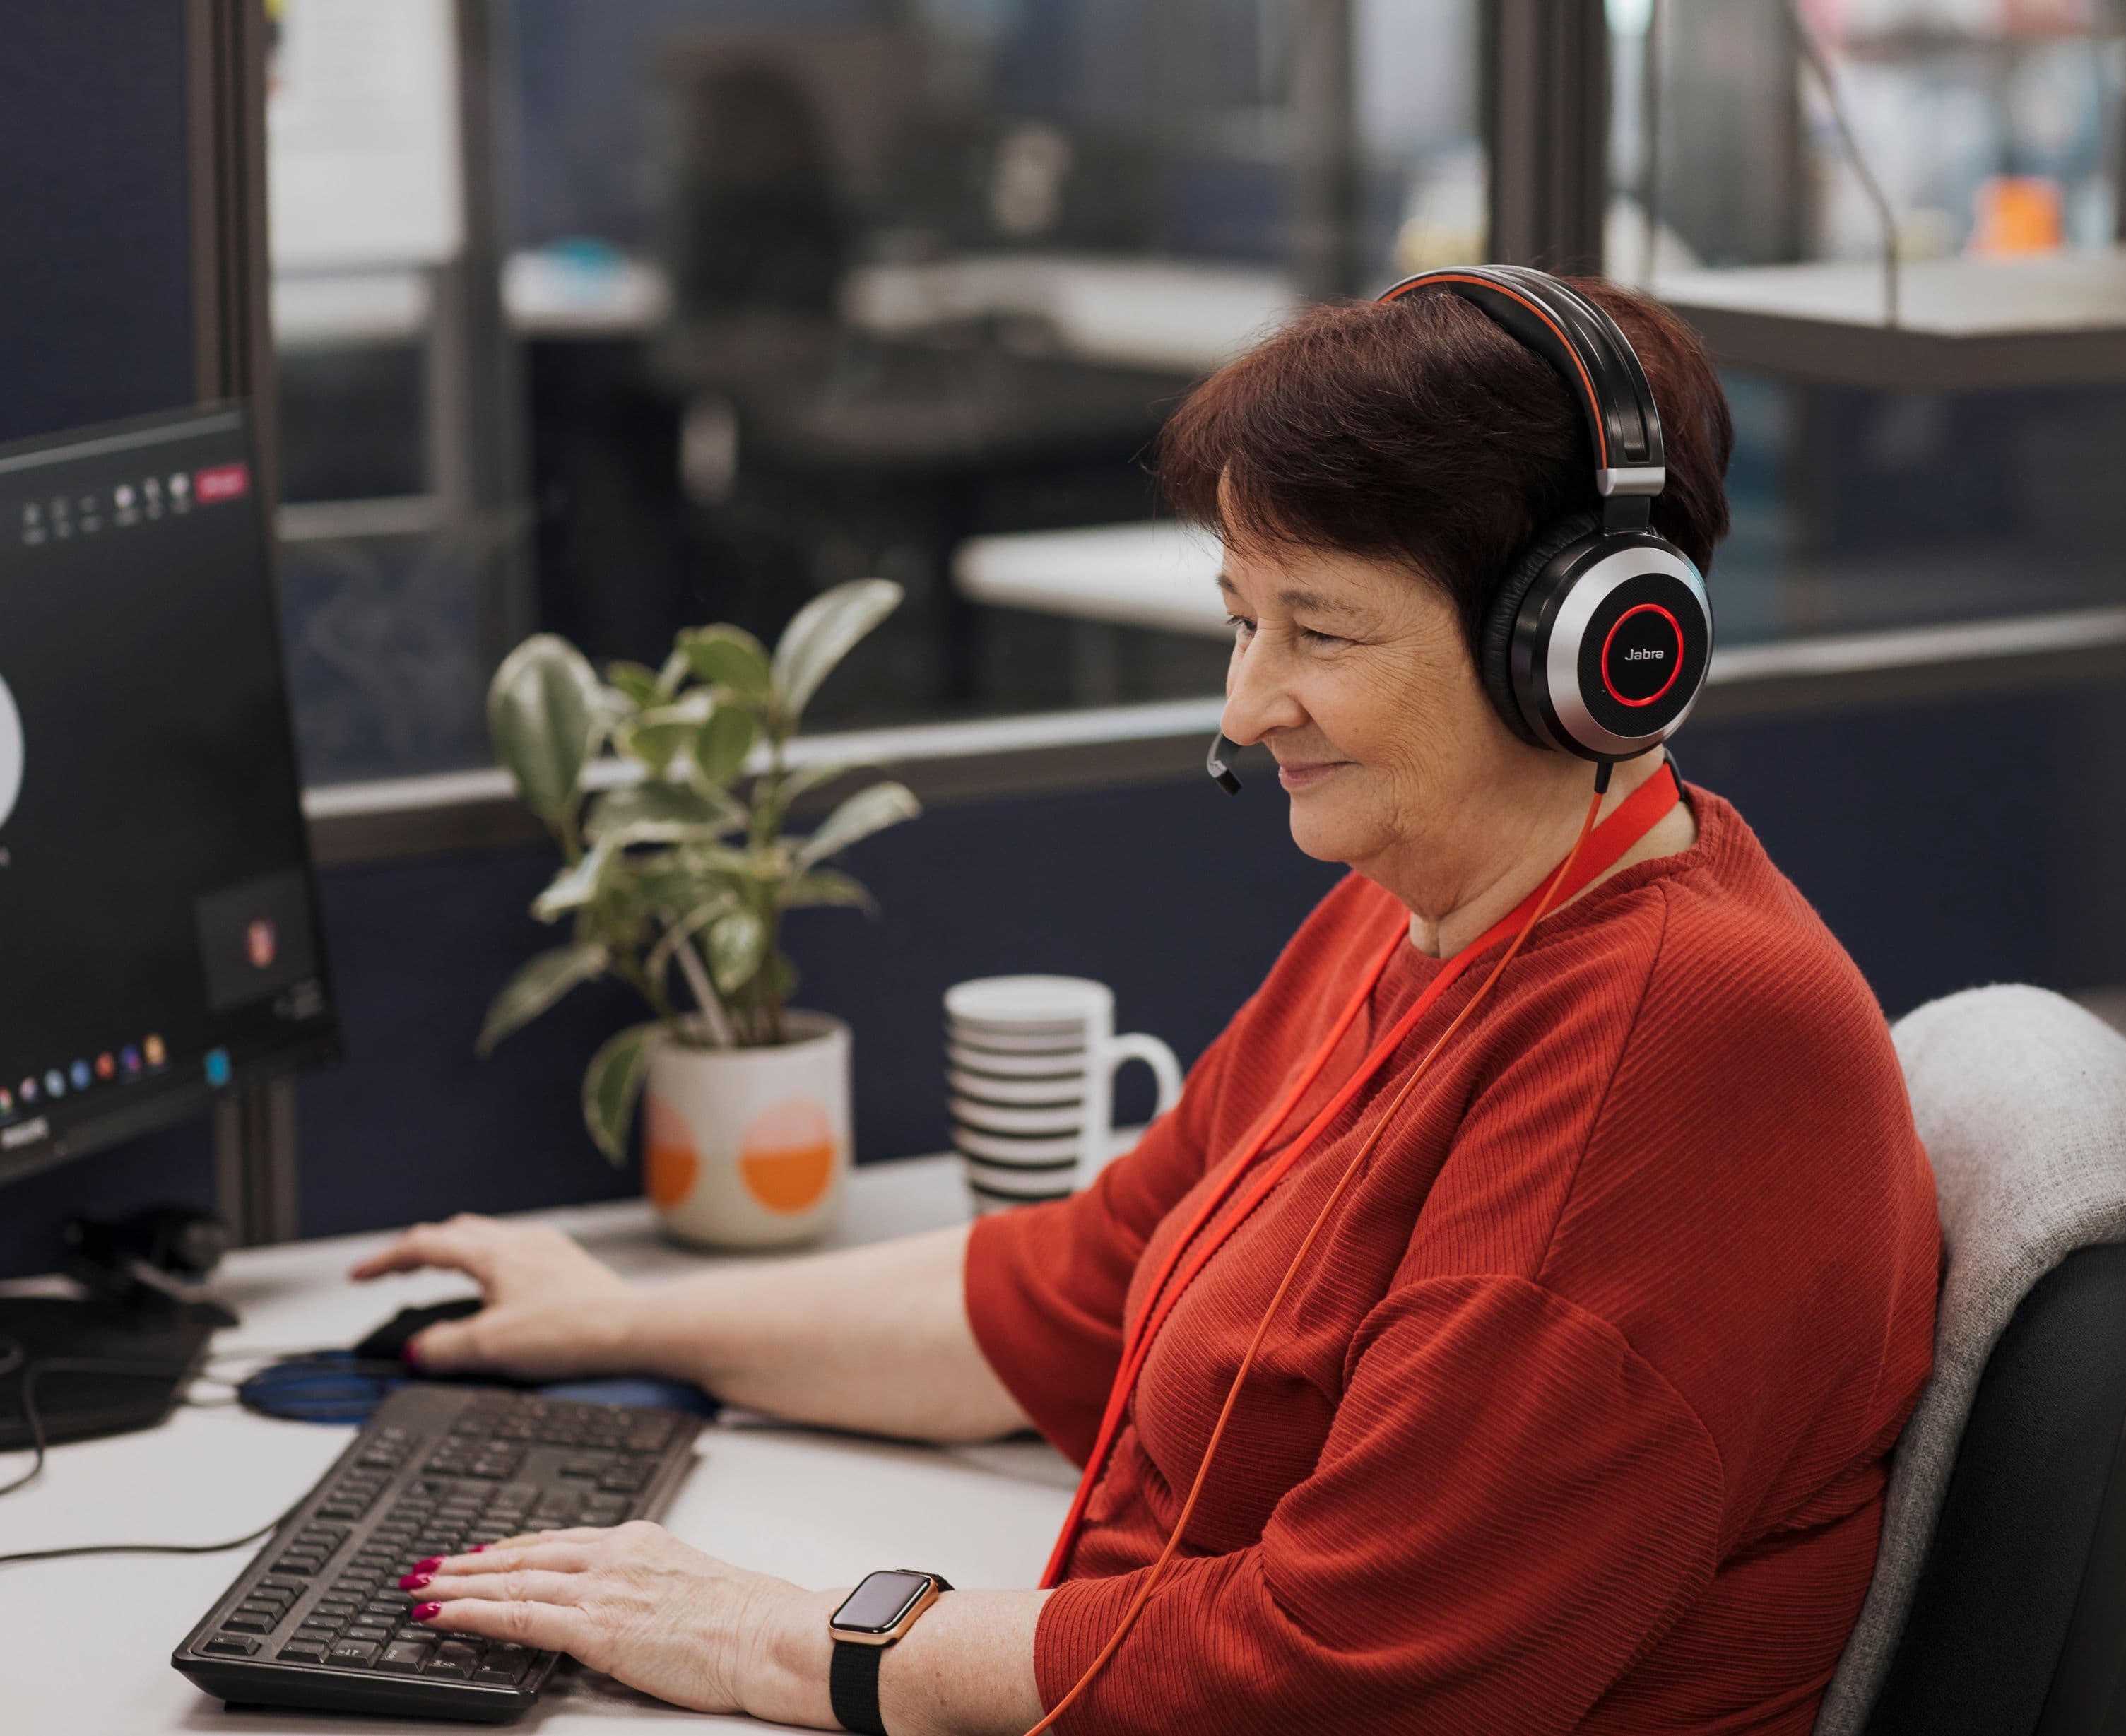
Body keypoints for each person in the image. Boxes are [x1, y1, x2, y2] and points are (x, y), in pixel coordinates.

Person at [353, 277, 1942, 1735]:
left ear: (1597, 647)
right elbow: (1082, 1288)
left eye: (1318, 629)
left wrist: (802, 1642)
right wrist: (617, 1325)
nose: (1247, 706)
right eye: (1244, 618)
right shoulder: (1418, 919)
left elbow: (1344, 1673)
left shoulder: (1684, 1045)